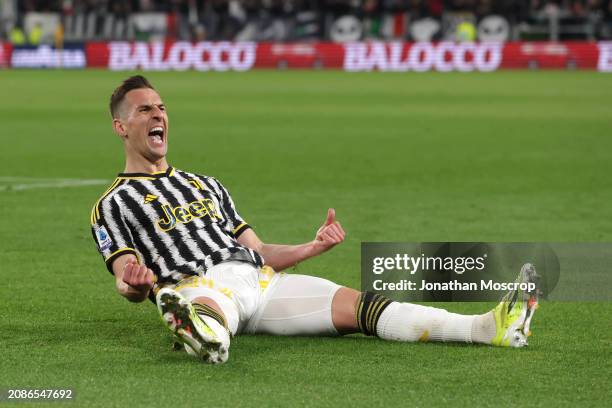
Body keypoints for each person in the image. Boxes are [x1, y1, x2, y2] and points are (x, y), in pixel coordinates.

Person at [90, 75, 539, 364]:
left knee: (364, 307)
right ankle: (204, 331)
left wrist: (312, 248)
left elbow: (260, 251)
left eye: (162, 107)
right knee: (206, 303)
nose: (158, 115)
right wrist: (134, 283)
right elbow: (124, 282)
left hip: (260, 283)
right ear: (121, 127)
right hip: (197, 285)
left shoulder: (208, 185)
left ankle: (488, 328)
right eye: (145, 109)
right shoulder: (112, 204)